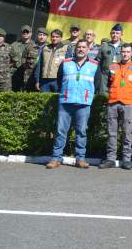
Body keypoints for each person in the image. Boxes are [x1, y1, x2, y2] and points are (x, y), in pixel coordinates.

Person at [45, 40, 100, 169]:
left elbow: (97, 84)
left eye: (83, 47)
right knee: (60, 131)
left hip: (83, 102)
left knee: (81, 132)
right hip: (66, 101)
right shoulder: (65, 63)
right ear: (75, 49)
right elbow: (59, 80)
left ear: (88, 50)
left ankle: (80, 158)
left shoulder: (95, 65)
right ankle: (56, 158)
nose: (81, 49)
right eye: (79, 47)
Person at [99, 43, 132, 170]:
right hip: (113, 102)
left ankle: (126, 159)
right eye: (123, 51)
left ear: (131, 53)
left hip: (128, 103)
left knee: (127, 132)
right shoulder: (113, 66)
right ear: (120, 53)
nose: (125, 54)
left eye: (128, 52)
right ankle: (110, 158)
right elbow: (107, 83)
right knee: (111, 132)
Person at [97, 24, 125, 95]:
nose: (115, 35)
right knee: (103, 97)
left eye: (117, 33)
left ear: (121, 34)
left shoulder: (125, 46)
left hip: (120, 76)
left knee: (118, 96)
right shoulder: (104, 46)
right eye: (113, 33)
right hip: (105, 77)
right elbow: (98, 61)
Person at [10, 25, 36, 91]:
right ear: (21, 33)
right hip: (15, 74)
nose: (25, 34)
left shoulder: (35, 46)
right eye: (23, 32)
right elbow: (8, 59)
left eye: (27, 32)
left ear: (31, 33)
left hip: (28, 75)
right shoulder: (14, 45)